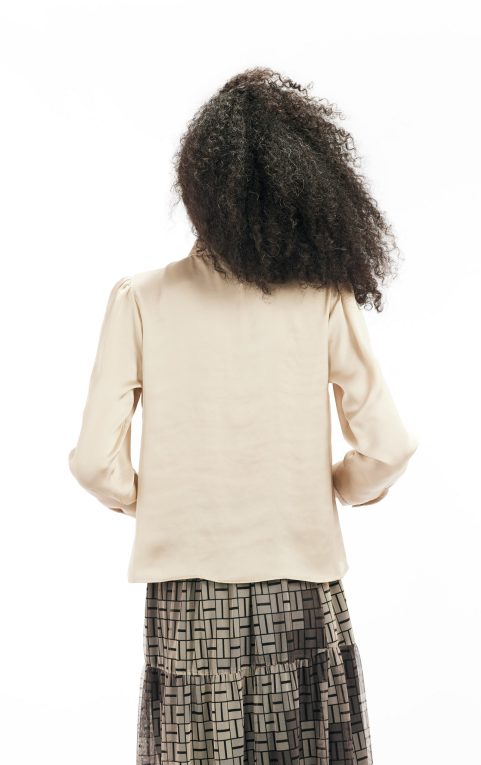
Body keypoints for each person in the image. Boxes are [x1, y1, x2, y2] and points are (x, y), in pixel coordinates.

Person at [68, 66, 418, 764]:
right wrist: (332, 487)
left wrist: (155, 499)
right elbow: (387, 447)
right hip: (300, 581)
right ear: (301, 187)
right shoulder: (322, 297)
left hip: (188, 592)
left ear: (199, 187)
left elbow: (95, 464)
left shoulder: (141, 299)